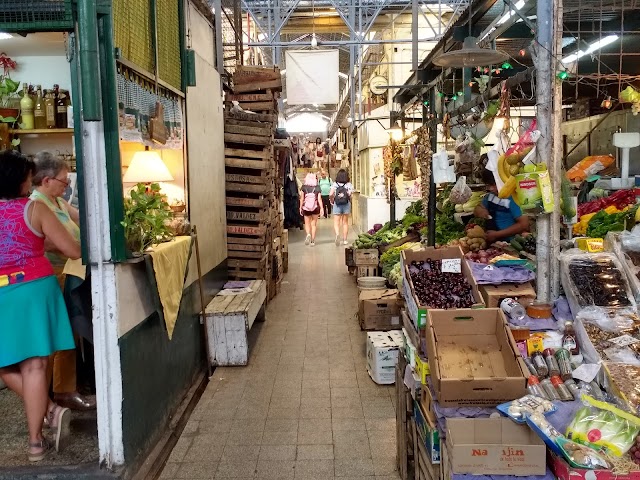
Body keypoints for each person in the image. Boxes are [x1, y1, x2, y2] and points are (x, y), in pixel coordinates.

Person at [0, 150, 80, 461]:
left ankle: (49, 412)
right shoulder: (35, 209)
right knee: (35, 366)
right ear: (19, 179)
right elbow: (72, 250)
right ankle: (36, 441)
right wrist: (40, 241)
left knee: (7, 365)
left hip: (3, 292)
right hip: (35, 289)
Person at [31, 152, 96, 412]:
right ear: (46, 180)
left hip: (71, 270)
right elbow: (45, 241)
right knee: (62, 332)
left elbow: (81, 218)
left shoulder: (57, 202)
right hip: (56, 273)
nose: (66, 185)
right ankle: (62, 392)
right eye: (63, 181)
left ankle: (66, 389)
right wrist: (69, 246)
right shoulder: (38, 205)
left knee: (69, 330)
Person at [474, 168, 529, 243]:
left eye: (493, 184)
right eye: (488, 185)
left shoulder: (513, 198)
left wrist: (497, 234)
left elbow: (524, 225)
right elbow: (478, 208)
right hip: (495, 244)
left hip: (511, 244)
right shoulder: (490, 196)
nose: (491, 188)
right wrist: (481, 210)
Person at [330, 169, 354, 246]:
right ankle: (345, 240)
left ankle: (337, 234)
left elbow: (330, 194)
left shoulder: (335, 184)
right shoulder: (349, 185)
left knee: (336, 222)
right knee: (345, 223)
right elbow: (351, 195)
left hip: (337, 204)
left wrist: (332, 200)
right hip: (346, 204)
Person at [299, 172, 324, 246]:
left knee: (307, 223)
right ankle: (313, 241)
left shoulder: (304, 187)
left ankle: (308, 234)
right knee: (314, 224)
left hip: (306, 208)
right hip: (315, 208)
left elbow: (302, 199)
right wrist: (322, 208)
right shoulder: (317, 187)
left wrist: (300, 208)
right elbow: (319, 199)